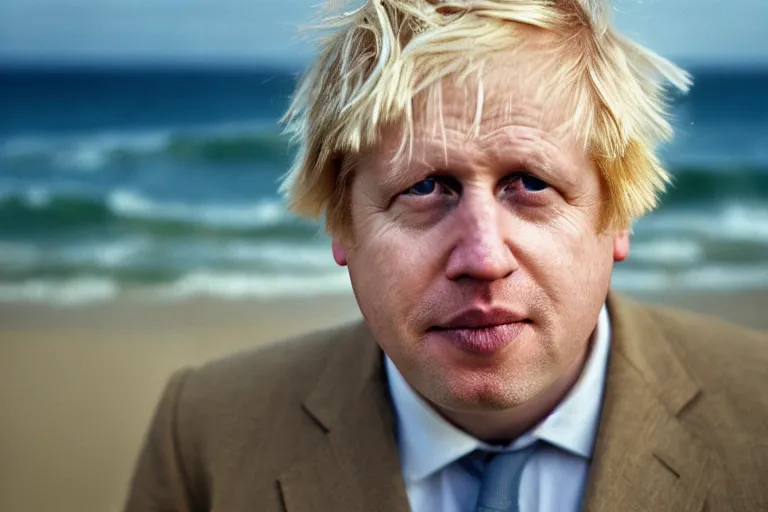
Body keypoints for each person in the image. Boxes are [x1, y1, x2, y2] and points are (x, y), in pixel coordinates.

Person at [124, 1, 768, 511]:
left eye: (532, 183)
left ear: (617, 214)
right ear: (341, 224)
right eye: (424, 187)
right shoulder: (205, 433)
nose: (484, 259)